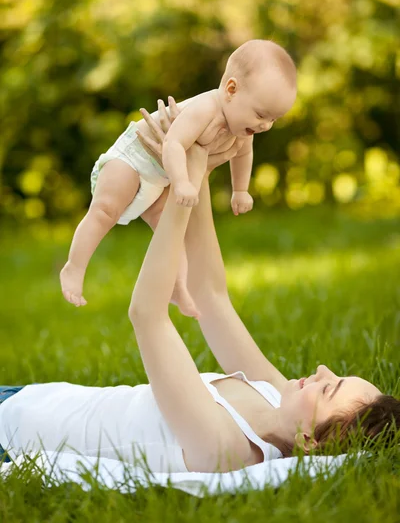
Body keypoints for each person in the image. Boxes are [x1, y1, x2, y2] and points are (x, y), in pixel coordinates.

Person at [0, 109, 398, 473]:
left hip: (9, 433)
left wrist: (182, 185)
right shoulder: (274, 395)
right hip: (27, 398)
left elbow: (147, 315)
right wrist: (199, 157)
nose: (322, 370)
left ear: (308, 442)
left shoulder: (223, 447)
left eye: (329, 388)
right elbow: (209, 293)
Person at [60, 39, 297, 317]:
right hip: (132, 158)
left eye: (273, 120)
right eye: (260, 115)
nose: (264, 125)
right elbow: (172, 143)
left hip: (159, 178)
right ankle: (74, 267)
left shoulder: (242, 129)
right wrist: (182, 181)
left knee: (172, 231)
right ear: (231, 89)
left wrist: (240, 191)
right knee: (105, 210)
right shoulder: (205, 109)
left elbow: (243, 156)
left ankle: (177, 287)